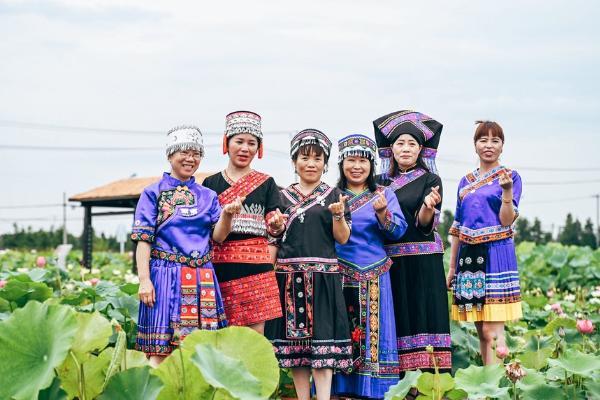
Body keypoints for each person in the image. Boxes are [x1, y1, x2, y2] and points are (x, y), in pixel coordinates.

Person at [131, 125, 242, 367]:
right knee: (160, 351)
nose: (190, 159)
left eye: (196, 154)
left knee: (201, 352)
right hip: (164, 275)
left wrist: (228, 215)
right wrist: (144, 279)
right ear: (170, 155)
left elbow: (219, 237)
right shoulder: (153, 193)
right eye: (184, 152)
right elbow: (143, 240)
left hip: (202, 277)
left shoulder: (208, 196)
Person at [266, 129, 352, 400]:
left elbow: (343, 238)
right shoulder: (280, 196)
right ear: (294, 162)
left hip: (323, 278)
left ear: (325, 163)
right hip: (289, 278)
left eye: (318, 158)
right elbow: (274, 238)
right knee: (297, 350)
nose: (311, 163)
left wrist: (338, 216)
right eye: (305, 157)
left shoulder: (334, 195)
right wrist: (277, 228)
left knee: (322, 347)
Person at [373, 110, 452, 373]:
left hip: (424, 262)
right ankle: (397, 381)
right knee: (397, 320)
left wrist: (429, 206)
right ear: (390, 149)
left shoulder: (431, 180)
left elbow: (424, 224)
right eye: (400, 143)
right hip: (390, 263)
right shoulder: (378, 182)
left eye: (412, 144)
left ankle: (430, 381)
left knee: (424, 317)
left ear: (421, 149)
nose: (406, 149)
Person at [331, 134, 408, 399]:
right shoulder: (332, 196)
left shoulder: (384, 194)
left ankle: (374, 390)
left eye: (363, 161)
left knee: (375, 340)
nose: (357, 166)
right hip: (339, 275)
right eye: (351, 160)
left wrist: (382, 213)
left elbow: (398, 231)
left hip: (375, 274)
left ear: (371, 165)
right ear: (341, 164)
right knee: (341, 333)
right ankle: (340, 388)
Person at [447, 120, 522, 365]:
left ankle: (497, 385)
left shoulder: (510, 177)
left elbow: (506, 220)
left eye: (495, 140)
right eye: (483, 140)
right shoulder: (464, 182)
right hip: (468, 255)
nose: (488, 145)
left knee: (492, 330)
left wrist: (507, 192)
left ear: (502, 146)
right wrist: (451, 267)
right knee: (480, 330)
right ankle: (489, 383)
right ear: (475, 145)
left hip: (497, 254)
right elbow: (457, 226)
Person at [203, 111, 284, 334]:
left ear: (259, 148)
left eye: (251, 143)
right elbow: (209, 230)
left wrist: (277, 225)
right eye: (239, 141)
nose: (245, 148)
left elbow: (274, 222)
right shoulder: (211, 183)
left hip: (257, 267)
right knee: (221, 335)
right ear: (226, 143)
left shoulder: (267, 183)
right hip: (221, 267)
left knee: (254, 338)